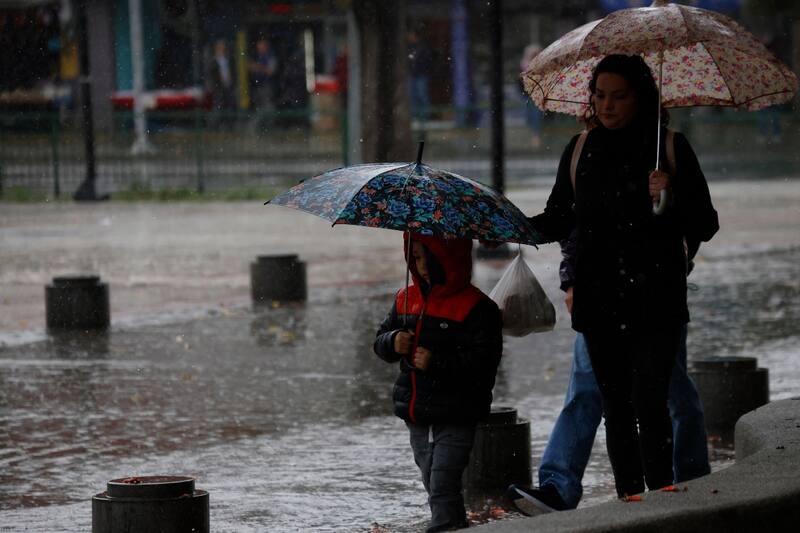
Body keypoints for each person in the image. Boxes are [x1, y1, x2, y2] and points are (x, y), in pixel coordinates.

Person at [521, 54, 719, 500]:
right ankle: (630, 498)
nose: (606, 106)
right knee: (616, 406)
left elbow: (705, 223)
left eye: (619, 96)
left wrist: (670, 194)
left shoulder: (670, 147)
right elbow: (559, 217)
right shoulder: (580, 149)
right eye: (600, 95)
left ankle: (663, 494)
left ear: (640, 97)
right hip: (600, 297)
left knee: (650, 400)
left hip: (656, 297)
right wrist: (513, 228)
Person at [509, 228, 711, 515]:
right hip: (606, 290)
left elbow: (700, 217)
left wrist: (677, 254)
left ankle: (689, 477)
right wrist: (572, 278)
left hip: (652, 293)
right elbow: (572, 219)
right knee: (594, 389)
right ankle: (561, 485)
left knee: (665, 391)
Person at [374, 234, 503, 532]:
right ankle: (454, 523)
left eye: (427, 257)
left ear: (448, 257)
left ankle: (444, 526)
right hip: (417, 411)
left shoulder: (477, 307)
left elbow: (483, 363)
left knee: (443, 481)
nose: (421, 266)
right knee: (432, 478)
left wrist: (437, 362)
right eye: (415, 258)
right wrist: (393, 341)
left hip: (458, 411)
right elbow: (380, 342)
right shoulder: (406, 299)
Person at [248, 38, 278, 133]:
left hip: (267, 86)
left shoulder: (270, 57)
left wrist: (257, 67)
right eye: (258, 47)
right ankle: (261, 127)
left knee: (268, 107)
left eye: (261, 46)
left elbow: (270, 71)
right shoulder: (257, 56)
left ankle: (264, 127)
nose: (260, 49)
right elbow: (250, 67)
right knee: (261, 107)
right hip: (257, 87)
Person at [407, 29, 434, 124]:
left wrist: (422, 69)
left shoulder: (423, 47)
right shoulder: (409, 47)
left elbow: (427, 61)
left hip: (421, 75)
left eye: (411, 35)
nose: (409, 37)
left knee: (422, 96)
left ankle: (424, 118)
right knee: (412, 97)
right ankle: (415, 117)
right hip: (412, 75)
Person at [207, 39, 235, 128]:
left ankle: (227, 126)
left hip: (228, 87)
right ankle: (214, 126)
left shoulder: (228, 60)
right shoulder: (213, 61)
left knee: (228, 107)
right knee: (218, 107)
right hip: (218, 88)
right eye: (220, 48)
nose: (222, 50)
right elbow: (212, 75)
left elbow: (232, 73)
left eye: (223, 48)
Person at [520, 44, 543, 148]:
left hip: (536, 95)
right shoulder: (525, 66)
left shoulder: (541, 66)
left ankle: (535, 135)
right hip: (528, 95)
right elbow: (521, 84)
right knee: (532, 112)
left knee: (535, 112)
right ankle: (534, 135)